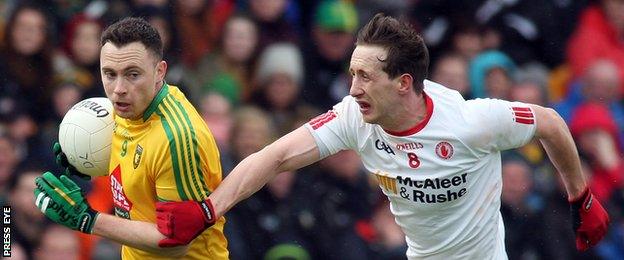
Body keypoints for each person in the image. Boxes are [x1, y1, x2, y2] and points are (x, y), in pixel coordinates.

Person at [156, 14, 610, 258]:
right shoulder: (354, 116)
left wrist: (580, 197)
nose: (352, 89)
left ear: (404, 83)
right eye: (351, 74)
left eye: (365, 77)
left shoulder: (472, 122)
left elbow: (549, 120)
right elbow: (273, 156)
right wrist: (210, 207)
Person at [32, 17, 228, 259]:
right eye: (109, 74)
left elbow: (176, 242)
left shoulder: (176, 137)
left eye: (132, 74)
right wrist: (91, 161)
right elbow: (140, 169)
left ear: (160, 72)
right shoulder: (128, 107)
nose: (118, 89)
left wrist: (88, 220)